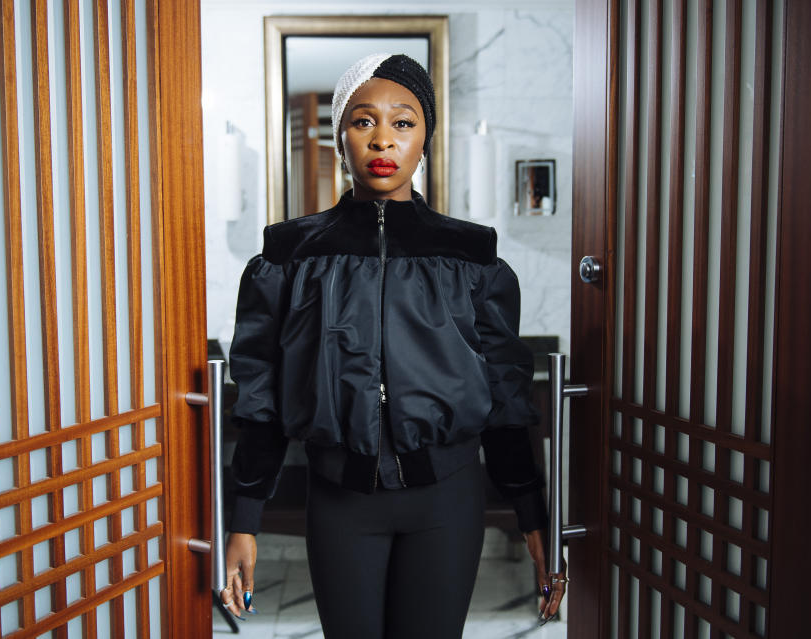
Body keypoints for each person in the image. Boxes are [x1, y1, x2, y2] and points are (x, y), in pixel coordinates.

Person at [220, 53, 567, 638]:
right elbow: (260, 390)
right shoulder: (288, 258)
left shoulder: (471, 258)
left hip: (447, 501)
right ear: (341, 137)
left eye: (403, 122)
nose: (383, 138)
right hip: (338, 499)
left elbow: (507, 393)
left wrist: (532, 512)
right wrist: (245, 517)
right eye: (363, 121)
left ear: (425, 135)